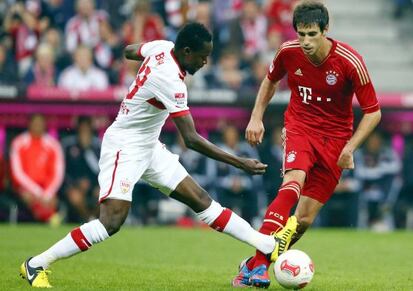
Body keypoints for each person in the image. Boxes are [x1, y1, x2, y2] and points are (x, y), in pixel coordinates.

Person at [19, 23, 294, 288]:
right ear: (186, 52)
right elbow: (192, 140)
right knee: (111, 221)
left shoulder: (163, 46)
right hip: (124, 147)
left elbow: (129, 50)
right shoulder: (170, 79)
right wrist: (240, 162)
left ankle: (267, 245)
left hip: (148, 145)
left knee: (201, 200)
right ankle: (37, 264)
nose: (205, 63)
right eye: (202, 57)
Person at [232, 1, 382, 288]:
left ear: (326, 30)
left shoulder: (350, 62)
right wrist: (256, 117)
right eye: (301, 34)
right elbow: (269, 80)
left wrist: (350, 147)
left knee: (301, 221)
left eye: (312, 34)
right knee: (292, 184)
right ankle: (261, 267)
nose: (306, 41)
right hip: (300, 128)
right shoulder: (288, 52)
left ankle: (250, 265)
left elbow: (373, 112)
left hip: (336, 141)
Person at [10, 114, 64, 223]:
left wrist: (48, 193)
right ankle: (50, 218)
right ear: (29, 124)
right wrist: (38, 192)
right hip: (24, 189)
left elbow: (58, 173)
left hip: (47, 189)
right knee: (28, 197)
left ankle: (49, 219)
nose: (37, 126)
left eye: (40, 123)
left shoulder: (53, 145)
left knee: (51, 200)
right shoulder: (19, 143)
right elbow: (17, 173)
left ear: (45, 125)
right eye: (35, 123)